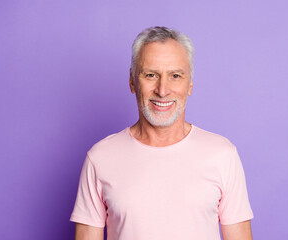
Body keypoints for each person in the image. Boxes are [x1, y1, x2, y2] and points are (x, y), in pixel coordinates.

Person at [70, 26, 254, 240]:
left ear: (190, 84)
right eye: (150, 75)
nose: (163, 90)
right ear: (132, 80)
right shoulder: (100, 158)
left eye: (175, 75)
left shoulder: (223, 155)